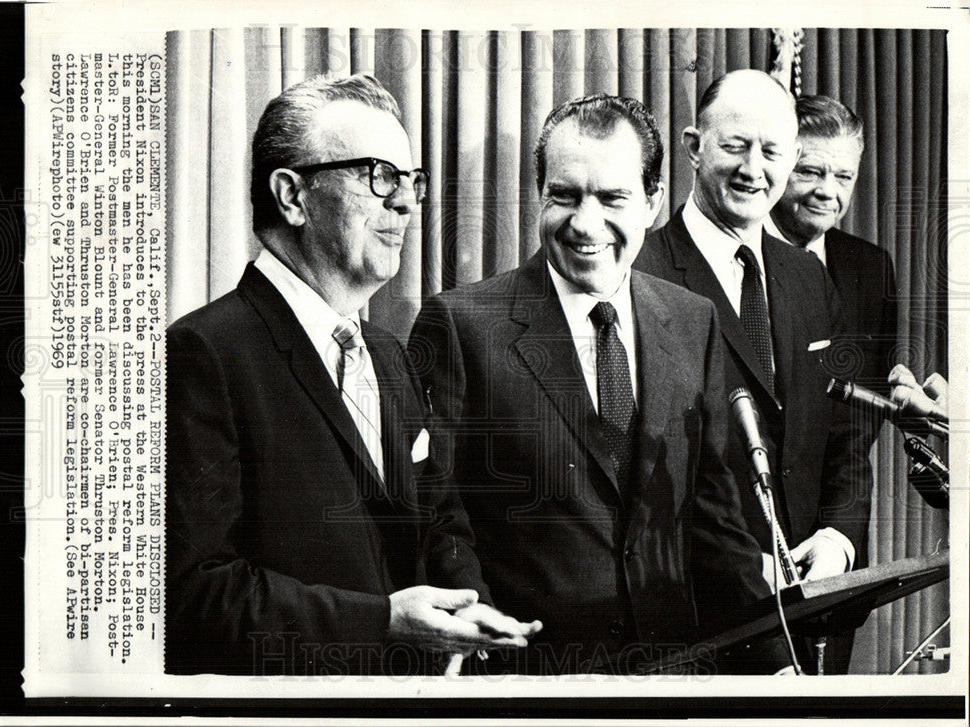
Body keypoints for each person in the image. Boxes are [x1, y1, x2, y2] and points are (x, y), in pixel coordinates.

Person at [165, 74, 539, 676]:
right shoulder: (204, 353)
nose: (406, 203)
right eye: (379, 176)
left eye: (411, 182)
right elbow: (194, 596)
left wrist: (469, 611)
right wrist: (383, 622)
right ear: (293, 196)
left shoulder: (390, 356)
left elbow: (441, 521)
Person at [409, 94, 789, 675]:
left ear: (653, 202)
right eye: (564, 196)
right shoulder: (461, 326)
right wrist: (475, 621)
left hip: (671, 682)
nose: (585, 224)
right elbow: (436, 511)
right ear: (540, 194)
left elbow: (716, 521)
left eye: (612, 198)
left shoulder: (693, 320)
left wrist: (775, 665)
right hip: (527, 683)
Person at [634, 71, 872, 673]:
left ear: (791, 158)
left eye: (771, 152)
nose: (753, 169)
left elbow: (844, 432)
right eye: (735, 146)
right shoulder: (640, 270)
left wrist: (839, 538)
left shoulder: (808, 277)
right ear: (693, 146)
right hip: (695, 622)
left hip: (812, 610)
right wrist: (742, 565)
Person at [766, 95, 898, 398]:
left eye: (843, 177)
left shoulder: (872, 266)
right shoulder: (735, 256)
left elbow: (872, 394)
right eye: (810, 172)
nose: (828, 191)